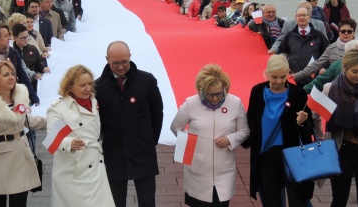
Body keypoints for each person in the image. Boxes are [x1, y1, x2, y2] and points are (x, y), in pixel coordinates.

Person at [95, 41, 164, 207]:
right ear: (107, 59)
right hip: (114, 152)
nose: (120, 67)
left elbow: (157, 114)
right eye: (115, 63)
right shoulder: (98, 86)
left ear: (130, 57)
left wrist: (150, 140)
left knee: (147, 201)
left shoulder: (146, 81)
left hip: (142, 150)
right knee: (115, 201)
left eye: (124, 62)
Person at [170, 64, 249, 206]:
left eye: (219, 93)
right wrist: (188, 150)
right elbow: (176, 127)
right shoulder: (190, 103)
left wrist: (229, 140)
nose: (214, 99)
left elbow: (244, 131)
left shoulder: (235, 103)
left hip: (223, 170)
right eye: (210, 94)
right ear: (202, 90)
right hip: (197, 170)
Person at [0, 61, 47, 207]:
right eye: (6, 75)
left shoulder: (21, 95)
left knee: (19, 202)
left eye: (12, 74)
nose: (11, 77)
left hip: (21, 156)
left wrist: (50, 121)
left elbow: (25, 121)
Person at [243, 54, 314, 206]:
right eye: (274, 77)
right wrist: (243, 140)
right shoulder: (257, 91)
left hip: (292, 155)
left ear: (288, 73)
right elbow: (250, 120)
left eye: (283, 77)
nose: (279, 81)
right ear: (266, 73)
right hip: (266, 156)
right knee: (271, 201)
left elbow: (309, 130)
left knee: (299, 200)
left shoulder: (298, 94)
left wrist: (302, 122)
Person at [46, 65, 115, 206]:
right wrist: (69, 143)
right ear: (70, 87)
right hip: (71, 171)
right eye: (82, 85)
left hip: (95, 167)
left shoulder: (95, 102)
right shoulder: (58, 108)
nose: (88, 88)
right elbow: (50, 138)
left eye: (90, 84)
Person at [325, 49, 358, 207]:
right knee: (339, 199)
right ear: (345, 68)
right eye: (355, 71)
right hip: (342, 149)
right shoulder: (332, 88)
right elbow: (326, 121)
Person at [0, 24, 40, 105]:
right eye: (5, 36)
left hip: (13, 95)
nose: (9, 38)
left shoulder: (13, 53)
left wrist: (34, 98)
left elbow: (23, 76)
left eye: (9, 35)